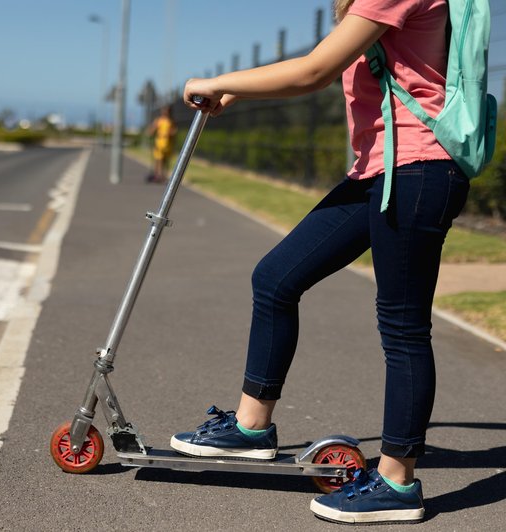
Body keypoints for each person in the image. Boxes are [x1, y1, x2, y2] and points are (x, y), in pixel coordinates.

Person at [171, 0, 469, 525]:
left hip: (418, 171)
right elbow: (321, 67)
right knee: (276, 278)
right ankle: (250, 429)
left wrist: (217, 78)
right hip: (377, 173)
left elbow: (313, 70)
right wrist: (235, 89)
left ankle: (398, 484)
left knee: (403, 328)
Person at [145, 105, 177, 183]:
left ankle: (164, 175)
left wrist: (171, 134)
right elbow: (151, 130)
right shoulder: (159, 121)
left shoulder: (171, 121)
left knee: (166, 161)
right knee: (159, 160)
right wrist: (151, 132)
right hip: (159, 143)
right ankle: (158, 175)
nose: (165, 112)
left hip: (168, 144)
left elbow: (174, 132)